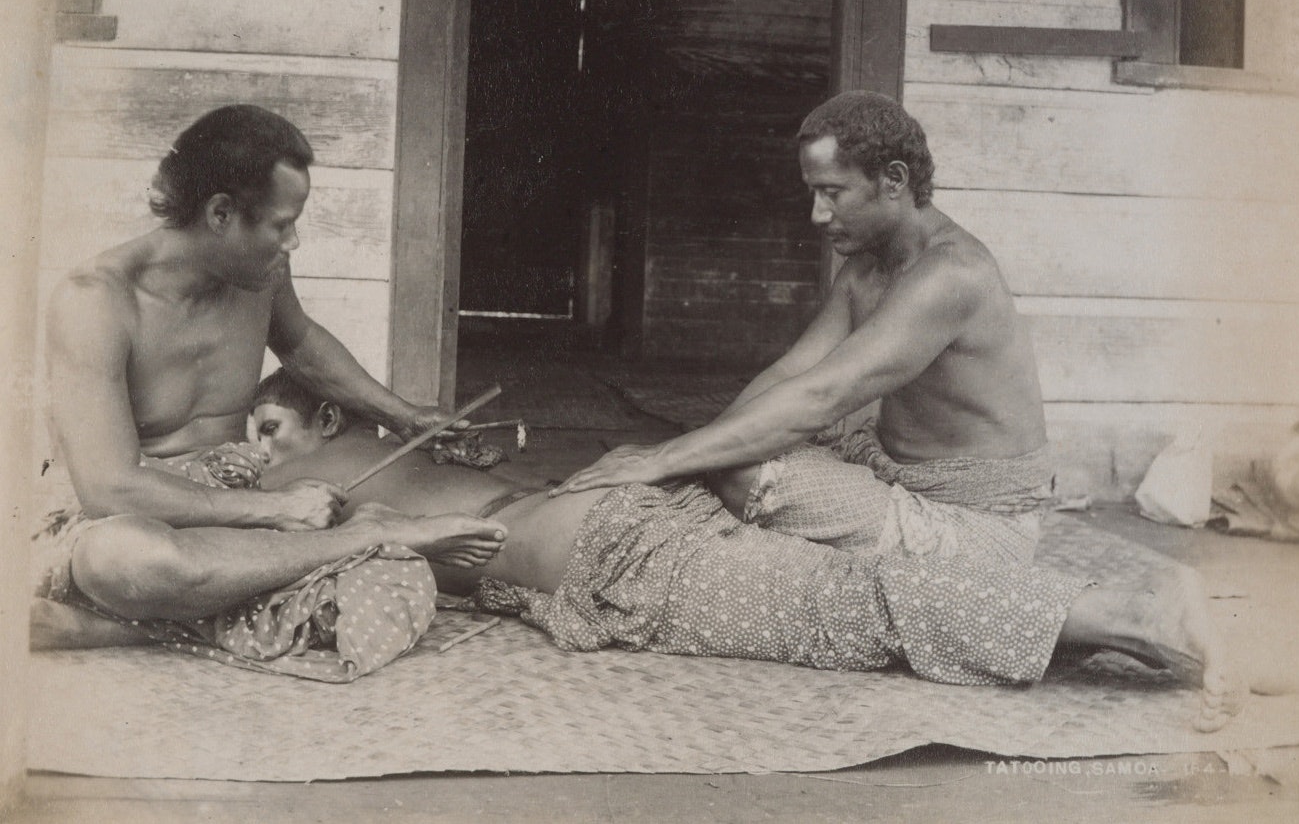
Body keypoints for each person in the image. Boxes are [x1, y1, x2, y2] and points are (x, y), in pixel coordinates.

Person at [249, 373, 1248, 733]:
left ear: (321, 417)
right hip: (613, 527)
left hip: (616, 543)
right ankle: (1093, 619)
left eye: (264, 428)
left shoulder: (319, 476)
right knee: (845, 590)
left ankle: (1130, 619)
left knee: (847, 604)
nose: (250, 451)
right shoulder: (345, 464)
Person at [31, 105, 508, 652]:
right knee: (123, 560)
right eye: (282, 225)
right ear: (220, 214)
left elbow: (301, 345)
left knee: (390, 591)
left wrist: (403, 416)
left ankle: (120, 626)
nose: (293, 243)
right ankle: (368, 537)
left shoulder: (259, 273)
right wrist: (276, 509)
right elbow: (109, 489)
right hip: (140, 516)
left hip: (234, 524)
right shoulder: (94, 302)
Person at [551, 91, 1055, 566]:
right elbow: (792, 371)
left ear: (895, 179)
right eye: (814, 193)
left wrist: (666, 459)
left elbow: (824, 395)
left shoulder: (951, 274)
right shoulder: (865, 269)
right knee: (728, 451)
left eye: (832, 192)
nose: (817, 214)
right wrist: (690, 453)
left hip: (979, 523)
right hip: (893, 472)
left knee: (741, 467)